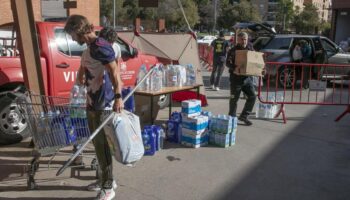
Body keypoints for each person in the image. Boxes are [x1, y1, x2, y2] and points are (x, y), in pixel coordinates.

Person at [64, 15, 124, 200]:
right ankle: (103, 179)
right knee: (98, 146)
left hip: (103, 104)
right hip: (92, 102)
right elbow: (86, 69)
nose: (72, 39)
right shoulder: (91, 48)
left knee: (102, 146)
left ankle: (108, 186)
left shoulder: (100, 46)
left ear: (78, 30)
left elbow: (115, 71)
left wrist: (118, 97)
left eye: (72, 35)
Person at [226, 32, 257, 126]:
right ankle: (232, 118)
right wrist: (234, 67)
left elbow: (255, 59)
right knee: (234, 99)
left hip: (247, 78)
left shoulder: (250, 48)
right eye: (242, 39)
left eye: (245, 39)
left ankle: (244, 116)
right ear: (238, 40)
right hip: (236, 78)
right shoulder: (233, 50)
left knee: (252, 96)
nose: (244, 41)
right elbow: (227, 63)